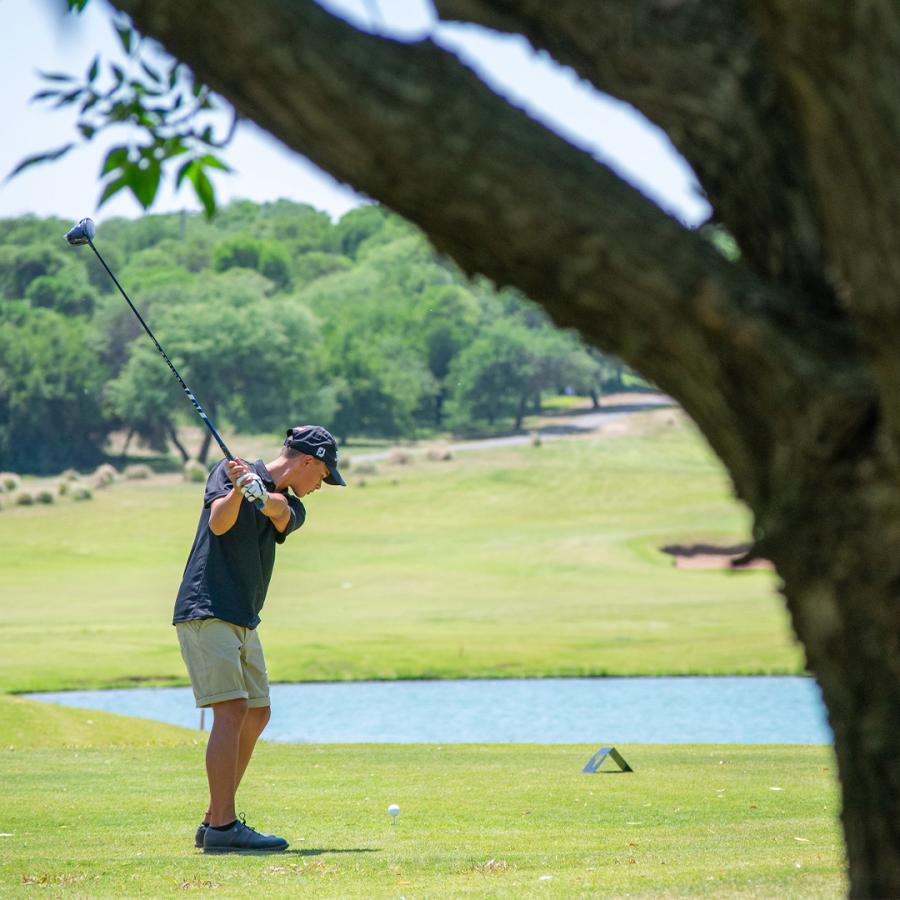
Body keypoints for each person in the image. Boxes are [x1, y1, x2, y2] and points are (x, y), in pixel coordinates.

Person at [173, 425, 345, 853]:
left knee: (257, 713)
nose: (320, 485)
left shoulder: (292, 504)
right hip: (207, 607)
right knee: (231, 709)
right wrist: (236, 490)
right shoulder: (226, 473)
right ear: (307, 461)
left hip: (245, 618)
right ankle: (224, 828)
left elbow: (279, 512)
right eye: (322, 475)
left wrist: (257, 493)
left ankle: (215, 818)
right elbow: (218, 523)